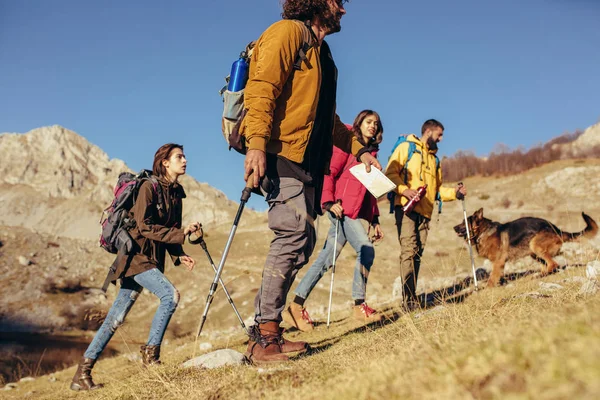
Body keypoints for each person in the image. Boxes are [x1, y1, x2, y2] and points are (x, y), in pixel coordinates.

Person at [241, 0, 381, 363]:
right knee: (291, 235)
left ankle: (268, 329)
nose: (344, 11)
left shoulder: (323, 53)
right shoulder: (286, 33)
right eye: (338, 3)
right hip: (281, 152)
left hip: (307, 161)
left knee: (303, 242)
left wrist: (360, 150)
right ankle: (264, 336)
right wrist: (256, 144)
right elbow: (262, 89)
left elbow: (328, 119)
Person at [70, 143, 201, 391]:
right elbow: (144, 227)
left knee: (115, 318)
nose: (185, 160)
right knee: (170, 296)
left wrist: (179, 252)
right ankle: (150, 357)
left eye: (184, 156)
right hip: (136, 257)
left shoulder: (176, 193)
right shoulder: (147, 187)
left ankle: (82, 373)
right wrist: (181, 234)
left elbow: (170, 229)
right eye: (179, 157)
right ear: (165, 162)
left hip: (150, 259)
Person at [283, 110, 385, 332]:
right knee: (366, 249)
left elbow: (369, 192)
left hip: (351, 212)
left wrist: (375, 219)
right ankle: (359, 306)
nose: (373, 126)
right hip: (340, 209)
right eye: (369, 122)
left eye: (376, 124)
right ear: (360, 122)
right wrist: (329, 202)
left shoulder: (372, 155)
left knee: (327, 258)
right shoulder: (347, 144)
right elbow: (329, 172)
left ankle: (296, 305)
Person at [384, 119, 467, 311]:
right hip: (405, 208)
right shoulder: (407, 148)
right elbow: (390, 173)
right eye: (439, 134)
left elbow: (437, 190)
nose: (441, 139)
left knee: (417, 255)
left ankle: (411, 297)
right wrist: (404, 190)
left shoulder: (435, 160)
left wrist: (454, 193)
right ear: (428, 132)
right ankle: (409, 300)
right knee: (409, 251)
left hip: (425, 213)